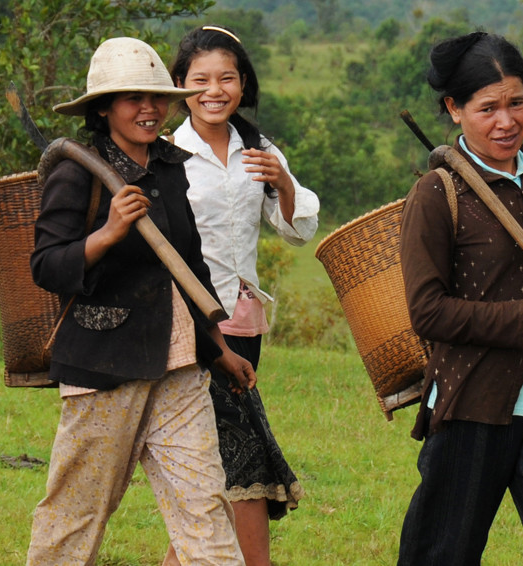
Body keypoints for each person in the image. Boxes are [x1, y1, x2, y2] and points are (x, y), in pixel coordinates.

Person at [26, 36, 258, 566]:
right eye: (133, 99)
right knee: (78, 512)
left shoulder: (171, 166)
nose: (149, 110)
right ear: (104, 107)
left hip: (178, 363)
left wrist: (217, 346)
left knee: (204, 507)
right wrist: (106, 234)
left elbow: (190, 266)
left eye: (156, 98)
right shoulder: (78, 170)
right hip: (105, 363)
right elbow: (46, 265)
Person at [396, 32, 523, 566]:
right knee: (440, 555)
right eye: (487, 108)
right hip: (471, 406)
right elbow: (428, 312)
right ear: (454, 109)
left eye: (516, 102)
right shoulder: (436, 193)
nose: (506, 121)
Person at [163, 24, 314, 566]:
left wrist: (284, 183)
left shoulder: (257, 147)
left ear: (243, 83)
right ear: (179, 85)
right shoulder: (166, 152)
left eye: (228, 77)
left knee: (215, 468)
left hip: (243, 326)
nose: (215, 90)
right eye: (200, 79)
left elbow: (298, 230)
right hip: (188, 329)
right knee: (235, 461)